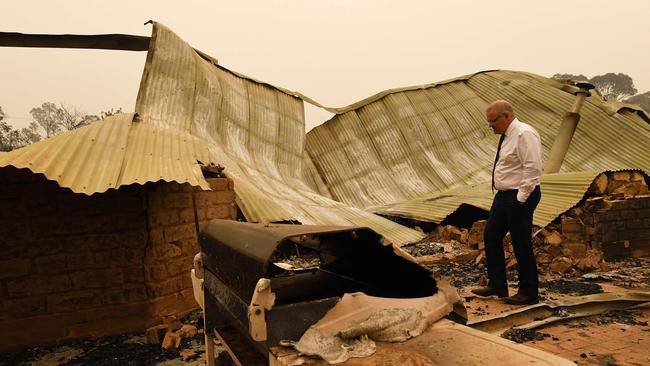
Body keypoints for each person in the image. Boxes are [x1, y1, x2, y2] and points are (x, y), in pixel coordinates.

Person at [471, 100, 543, 305]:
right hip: (503, 196)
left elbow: (533, 167)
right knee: (491, 236)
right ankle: (498, 285)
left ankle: (528, 292)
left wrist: (520, 198)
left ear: (506, 116)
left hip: (520, 195)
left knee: (521, 243)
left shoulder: (523, 133)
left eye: (493, 121)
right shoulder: (507, 135)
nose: (490, 125)